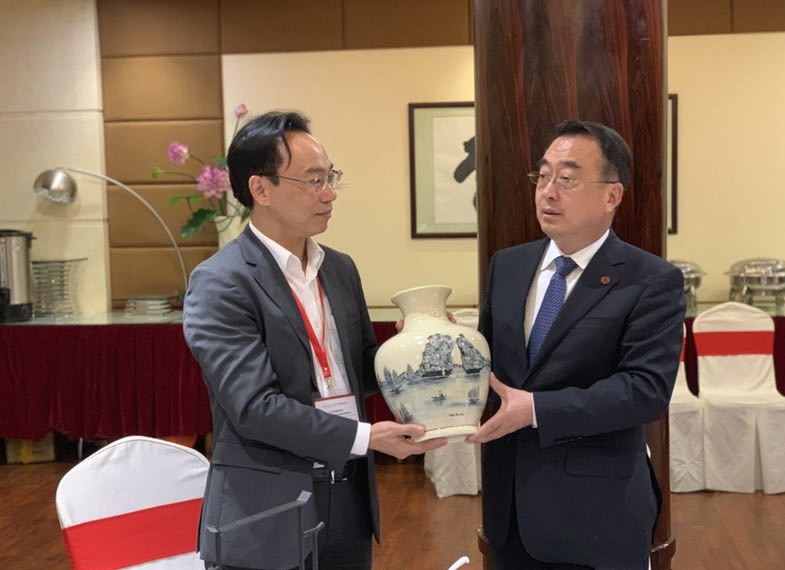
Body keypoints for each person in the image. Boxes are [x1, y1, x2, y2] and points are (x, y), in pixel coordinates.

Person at [183, 110, 446, 570]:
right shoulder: (220, 282)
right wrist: (365, 436)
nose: (329, 194)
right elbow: (254, 407)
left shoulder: (339, 268)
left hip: (347, 494)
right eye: (313, 180)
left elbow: (358, 369)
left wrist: (413, 345)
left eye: (330, 177)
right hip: (266, 508)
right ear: (260, 189)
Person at [465, 120, 685, 570]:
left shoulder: (651, 280)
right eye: (543, 176)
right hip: (510, 513)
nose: (547, 192)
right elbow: (490, 363)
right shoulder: (508, 266)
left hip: (597, 515)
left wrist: (537, 409)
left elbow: (645, 391)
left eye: (566, 179)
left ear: (611, 196)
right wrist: (449, 344)